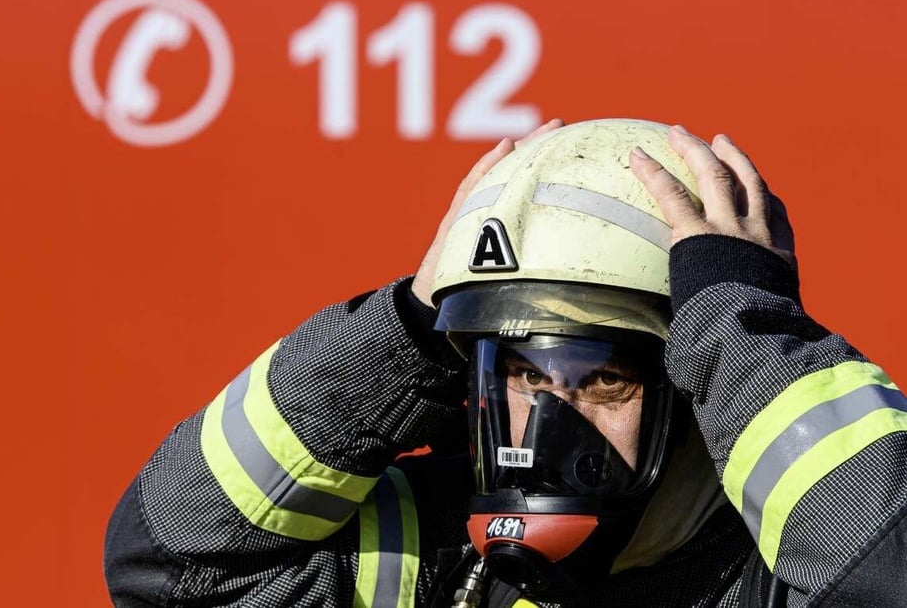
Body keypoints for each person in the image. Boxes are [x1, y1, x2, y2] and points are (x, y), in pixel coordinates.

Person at [104, 119, 907, 607]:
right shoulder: (429, 557)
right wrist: (404, 333)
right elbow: (172, 563)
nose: (545, 425)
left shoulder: (789, 574)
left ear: (698, 388)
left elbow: (890, 573)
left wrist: (745, 334)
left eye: (603, 379)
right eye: (522, 376)